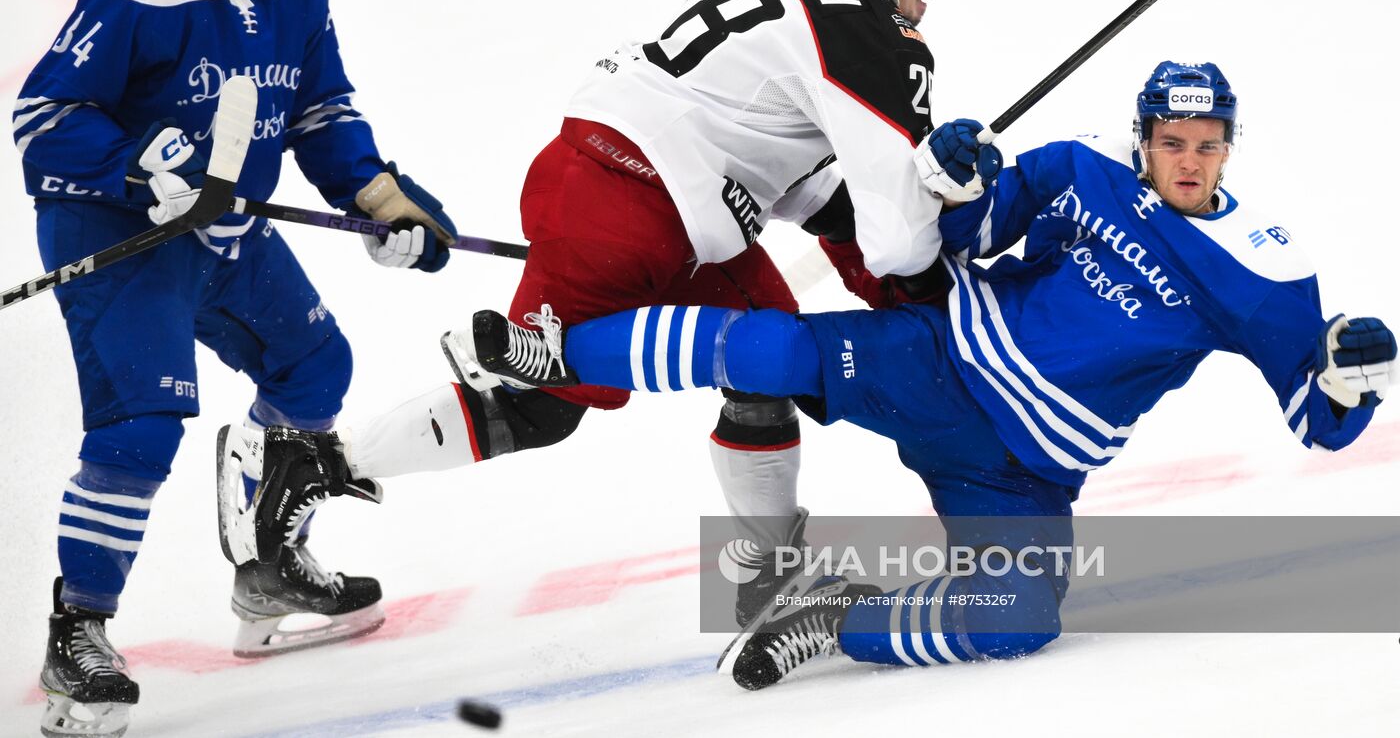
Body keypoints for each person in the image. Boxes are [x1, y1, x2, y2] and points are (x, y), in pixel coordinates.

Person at [458, 60, 1397, 690]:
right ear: (1144, 137)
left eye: (1207, 142)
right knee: (771, 352)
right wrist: (959, 177)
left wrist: (1355, 377)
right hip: (939, 360)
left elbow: (1319, 418)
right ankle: (558, 352)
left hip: (1022, 472)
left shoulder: (1263, 270)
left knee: (1022, 616)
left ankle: (838, 617)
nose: (1189, 160)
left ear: (1230, 145)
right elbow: (969, 235)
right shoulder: (1082, 171)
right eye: (1172, 140)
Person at [293, 0, 964, 626]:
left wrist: (877, 259)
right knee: (546, 405)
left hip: (619, 187)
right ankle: (320, 461)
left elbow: (789, 166)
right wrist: (933, 286)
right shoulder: (873, 37)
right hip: (630, 210)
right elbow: (897, 236)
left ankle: (770, 570)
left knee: (772, 348)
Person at [13, 0, 457, 735]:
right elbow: (44, 117)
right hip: (117, 230)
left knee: (313, 366)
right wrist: (141, 170)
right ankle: (77, 631)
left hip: (223, 225)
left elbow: (320, 110)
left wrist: (380, 198)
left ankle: (268, 567)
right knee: (142, 425)